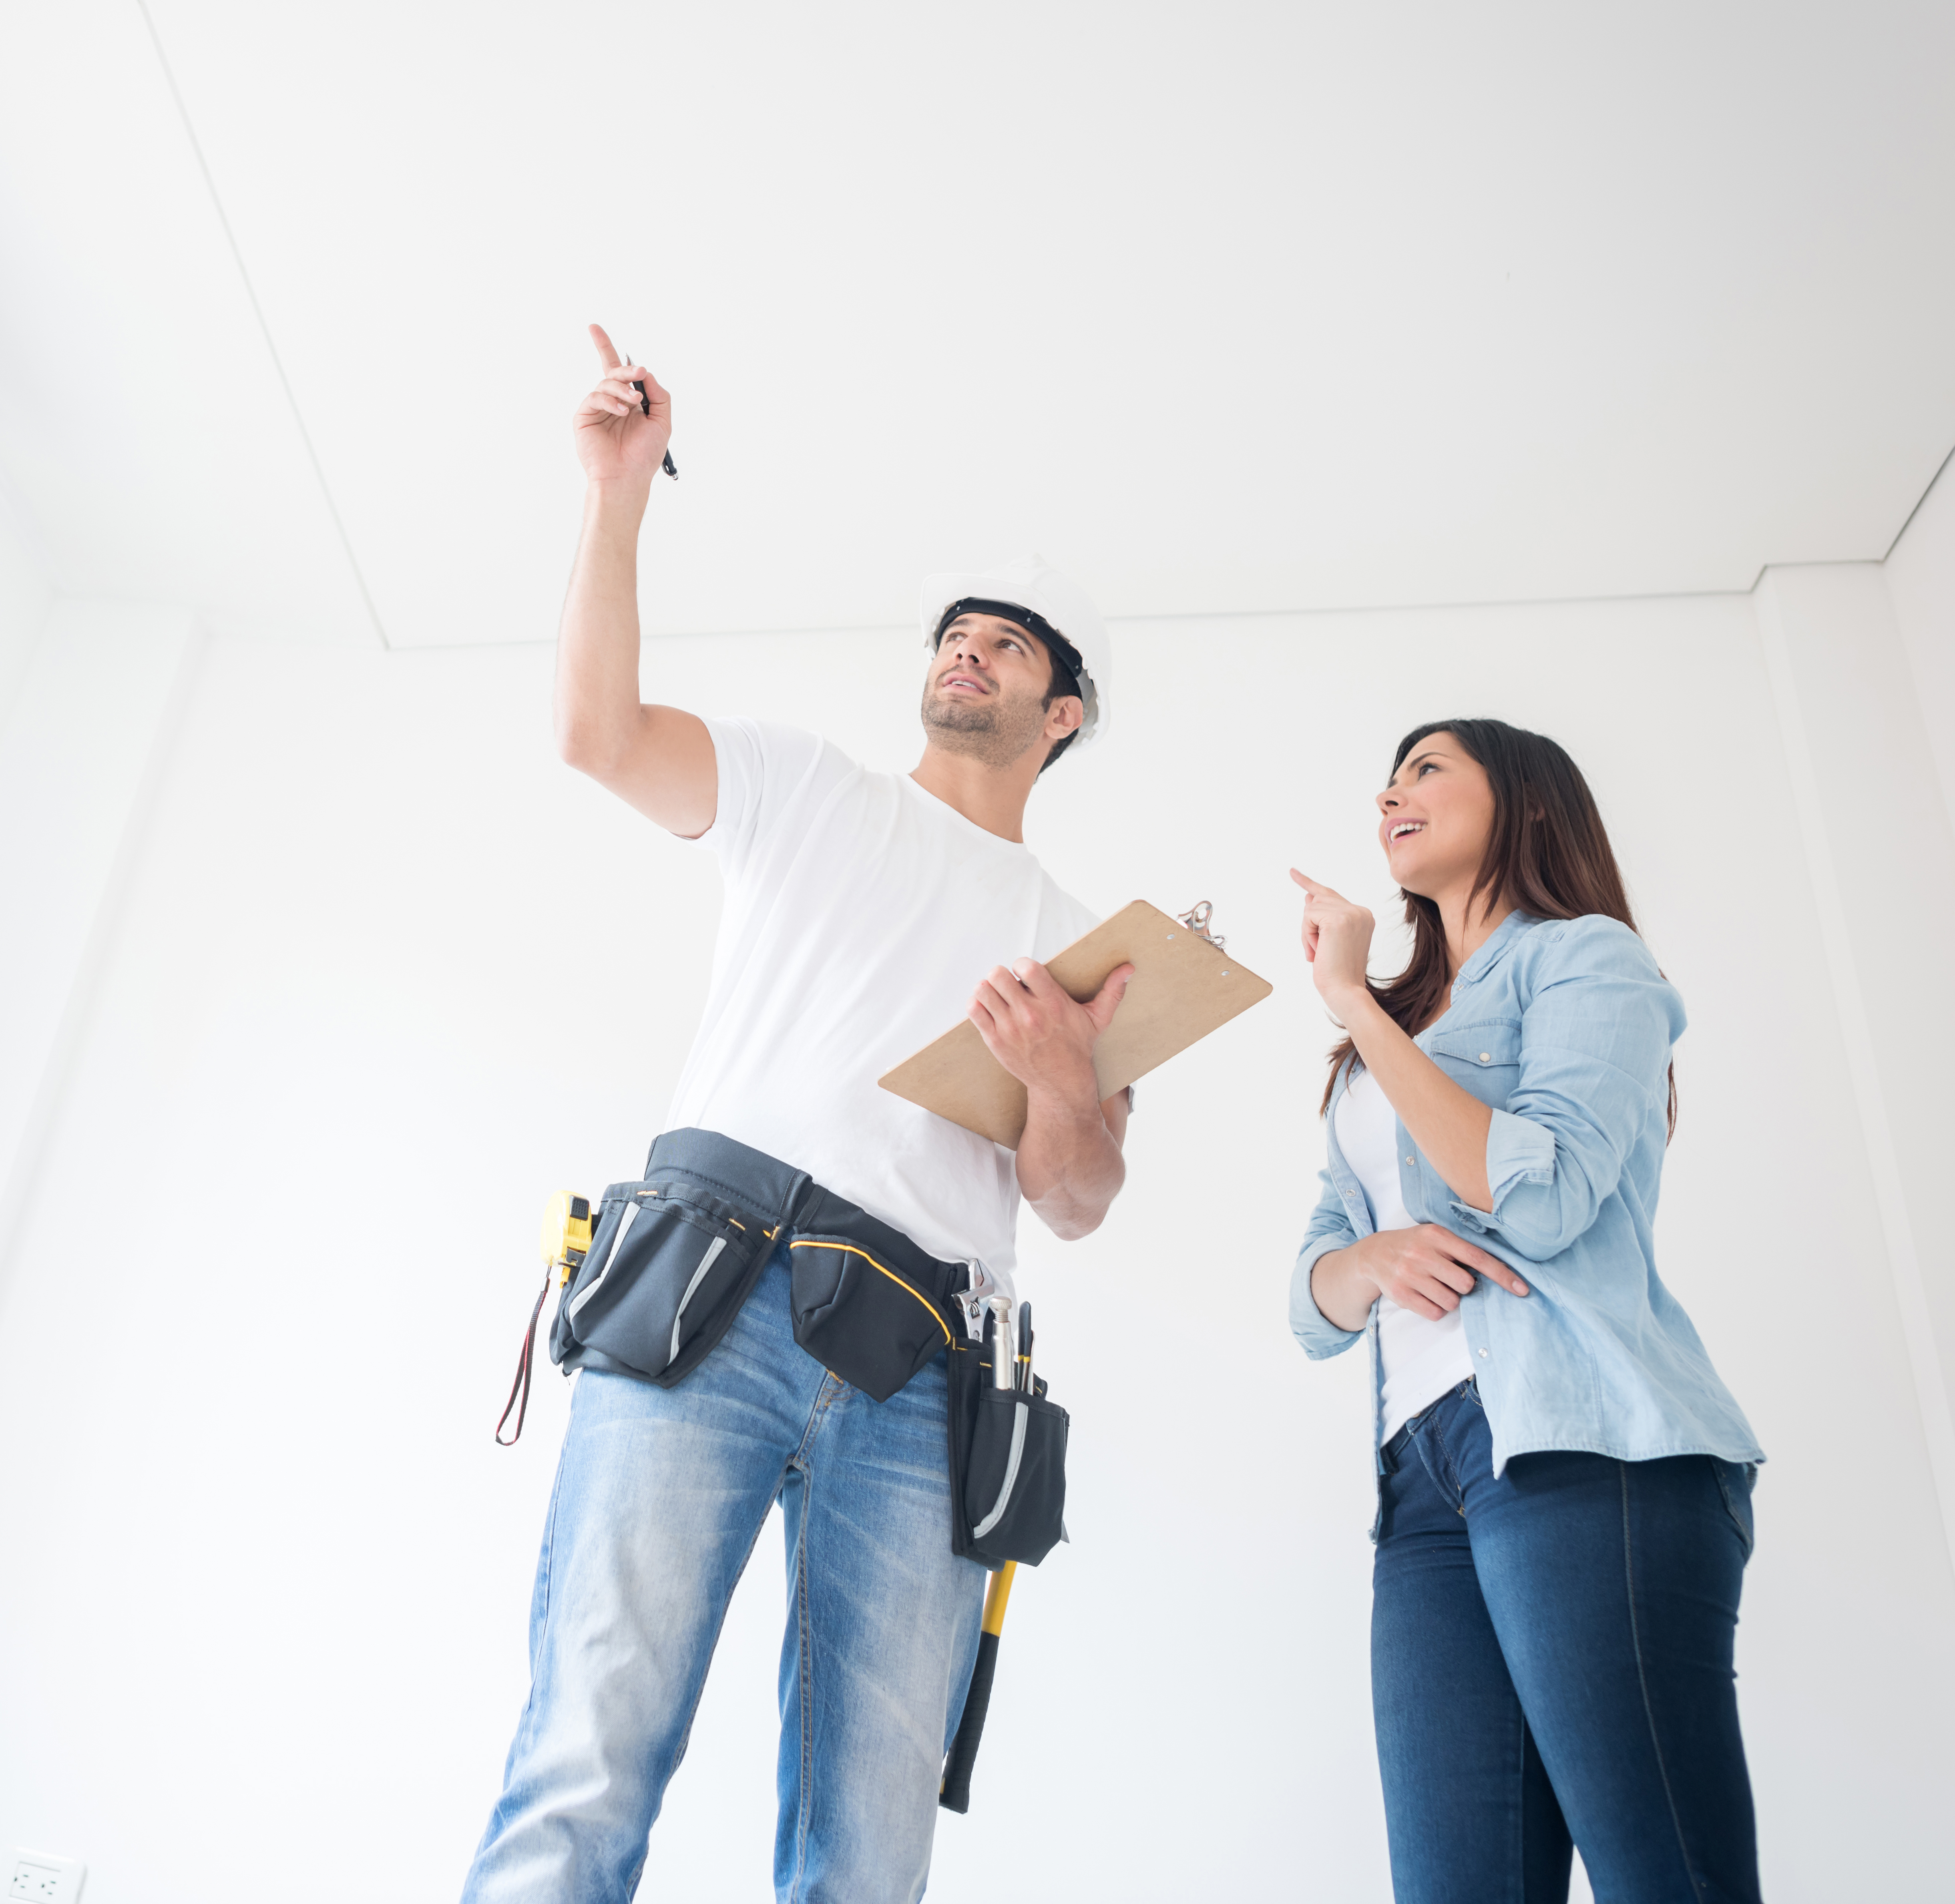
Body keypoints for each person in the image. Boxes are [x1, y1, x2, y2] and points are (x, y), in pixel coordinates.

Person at [460, 326, 1136, 1904]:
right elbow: (597, 734)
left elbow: (1080, 1194)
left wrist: (1057, 1075)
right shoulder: (804, 784)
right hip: (704, 1296)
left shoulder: (1086, 949)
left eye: (1006, 644)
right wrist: (615, 496)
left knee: (867, 1856)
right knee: (584, 1769)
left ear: (1066, 713)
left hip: (921, 1378)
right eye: (953, 633)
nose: (966, 651)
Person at [1288, 719, 1766, 1904]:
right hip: (1423, 1481)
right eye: (1388, 778)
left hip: (1585, 1448)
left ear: (1529, 802)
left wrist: (1354, 1000)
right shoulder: (1373, 1051)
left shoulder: (1585, 961)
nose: (1392, 791)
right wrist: (1376, 1258)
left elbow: (1540, 1195)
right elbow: (1315, 1293)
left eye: (1429, 768)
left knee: (1670, 1877)